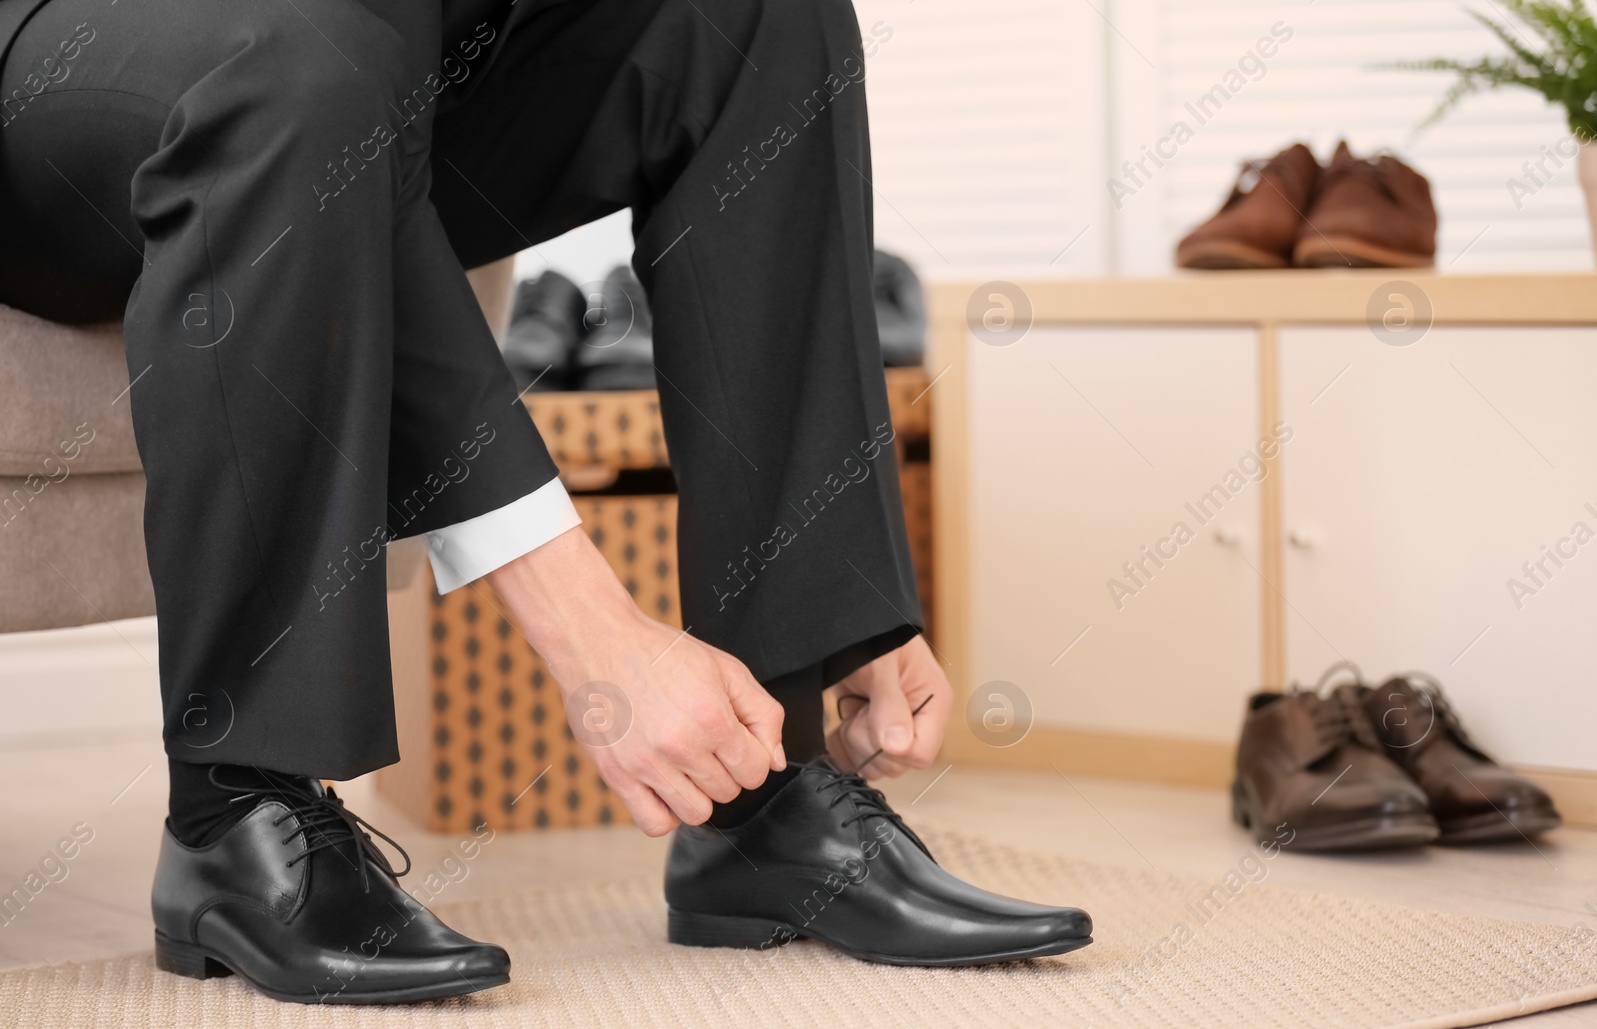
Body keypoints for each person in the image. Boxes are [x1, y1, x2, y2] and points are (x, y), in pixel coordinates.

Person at [0, 0, 1092, 1004]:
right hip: (83, 62)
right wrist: (595, 636)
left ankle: (765, 793)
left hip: (396, 58)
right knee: (303, 62)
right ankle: (234, 812)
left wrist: (841, 604)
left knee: (756, 13)